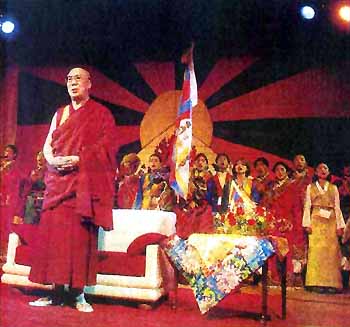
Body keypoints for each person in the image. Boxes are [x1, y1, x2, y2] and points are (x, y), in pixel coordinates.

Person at [28, 67, 117, 312]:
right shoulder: (61, 113)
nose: (72, 83)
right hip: (58, 183)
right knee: (53, 239)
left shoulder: (101, 114)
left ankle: (78, 295)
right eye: (69, 79)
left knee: (79, 240)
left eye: (78, 78)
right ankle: (54, 293)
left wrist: (81, 159)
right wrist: (52, 160)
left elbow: (108, 147)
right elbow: (48, 144)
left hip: (83, 185)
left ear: (90, 84)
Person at [303, 162, 345, 293]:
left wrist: (340, 225)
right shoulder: (310, 187)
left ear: (329, 172)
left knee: (331, 252)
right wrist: (306, 223)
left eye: (325, 168)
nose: (323, 170)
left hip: (331, 221)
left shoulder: (333, 188)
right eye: (320, 168)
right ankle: (315, 282)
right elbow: (307, 205)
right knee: (316, 251)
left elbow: (337, 207)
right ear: (315, 172)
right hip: (316, 220)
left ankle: (331, 284)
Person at [0, 144, 24, 260]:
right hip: (3, 201)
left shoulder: (17, 167)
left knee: (10, 228)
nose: (6, 153)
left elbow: (18, 185)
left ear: (14, 154)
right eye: (5, 150)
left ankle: (8, 254)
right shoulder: (3, 167)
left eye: (9, 151)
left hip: (13, 202)